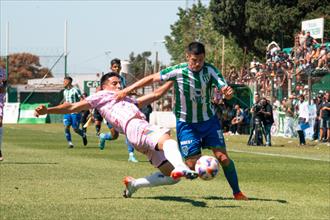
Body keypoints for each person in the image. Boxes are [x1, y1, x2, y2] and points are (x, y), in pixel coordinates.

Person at [116, 42, 248, 200]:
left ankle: (237, 193)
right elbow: (152, 78)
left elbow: (226, 92)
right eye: (194, 60)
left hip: (209, 122)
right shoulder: (178, 70)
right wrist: (127, 90)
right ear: (187, 57)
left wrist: (227, 94)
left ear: (204, 57)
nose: (197, 64)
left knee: (223, 158)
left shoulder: (210, 70)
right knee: (190, 167)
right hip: (186, 124)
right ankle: (136, 183)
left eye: (200, 60)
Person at [35, 72, 198, 197]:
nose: (119, 86)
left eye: (120, 83)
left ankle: (134, 184)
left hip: (136, 134)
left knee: (172, 177)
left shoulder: (127, 99)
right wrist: (48, 110)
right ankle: (181, 166)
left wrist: (173, 79)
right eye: (115, 83)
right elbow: (72, 107)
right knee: (168, 141)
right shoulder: (102, 96)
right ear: (104, 86)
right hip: (135, 126)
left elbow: (156, 95)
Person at [99, 58, 138, 162]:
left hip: (121, 109)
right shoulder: (106, 79)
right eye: (115, 67)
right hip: (109, 110)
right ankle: (103, 136)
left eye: (118, 67)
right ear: (111, 67)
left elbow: (122, 91)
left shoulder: (122, 79)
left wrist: (131, 92)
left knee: (128, 130)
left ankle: (131, 154)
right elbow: (101, 92)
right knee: (114, 136)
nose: (117, 68)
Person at [62, 76, 87, 148]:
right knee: (66, 127)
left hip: (75, 112)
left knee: (75, 129)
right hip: (67, 112)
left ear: (68, 82)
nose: (63, 83)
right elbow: (65, 101)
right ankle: (70, 143)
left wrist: (80, 109)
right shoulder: (65, 91)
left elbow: (82, 99)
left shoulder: (76, 90)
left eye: (64, 82)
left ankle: (83, 134)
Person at [0, 67, 7, 161]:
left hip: (0, 100)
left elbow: (5, 83)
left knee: (0, 123)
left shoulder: (2, 71)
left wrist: (3, 87)